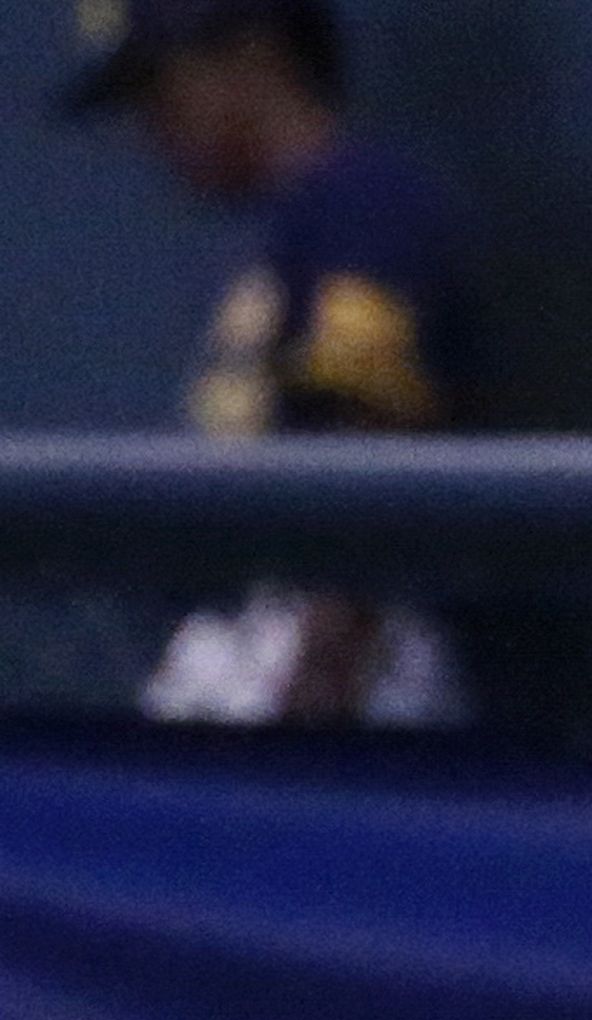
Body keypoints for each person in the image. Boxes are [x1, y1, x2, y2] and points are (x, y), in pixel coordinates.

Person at [61, 0, 475, 725]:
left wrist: (319, 688)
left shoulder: (360, 200)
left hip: (330, 660)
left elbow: (370, 455)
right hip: (267, 648)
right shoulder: (290, 222)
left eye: (162, 87)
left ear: (254, 52)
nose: (153, 127)